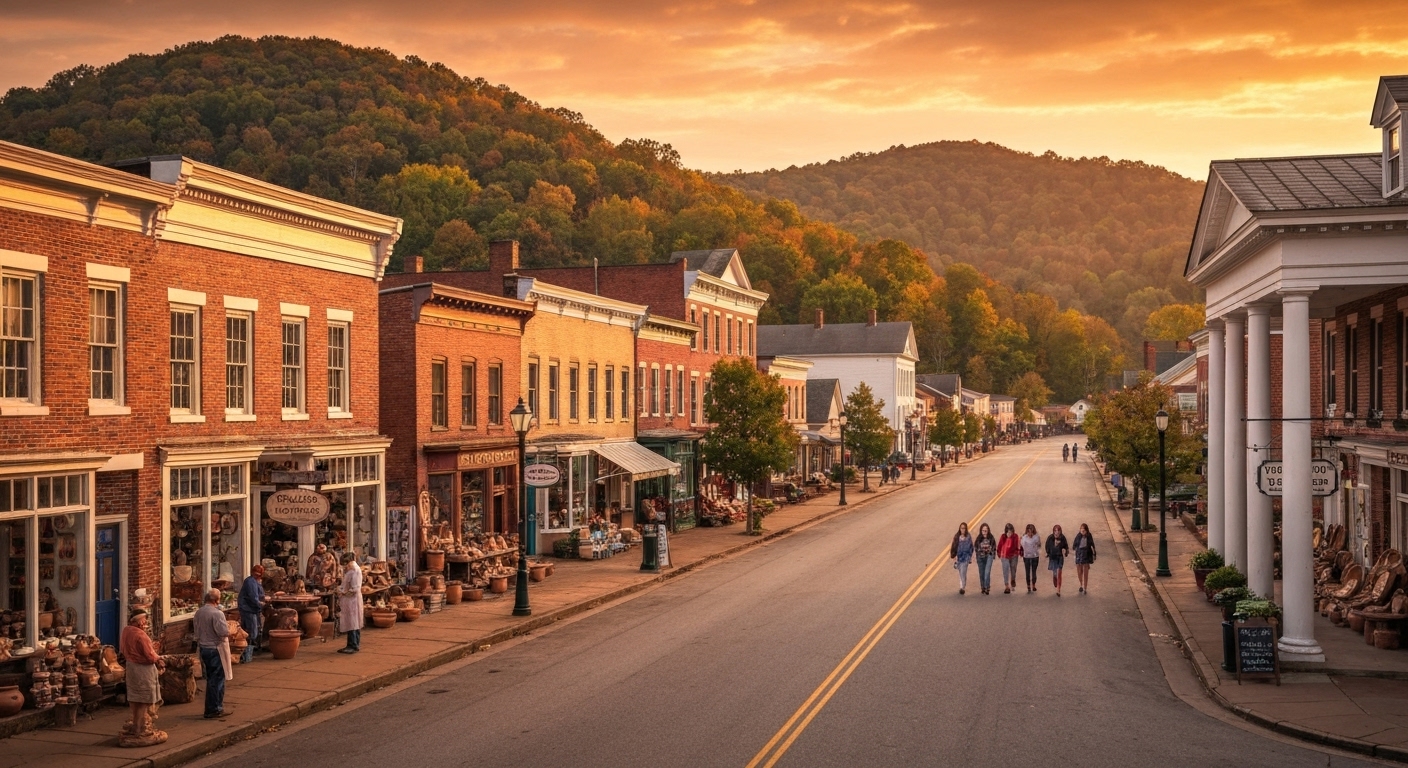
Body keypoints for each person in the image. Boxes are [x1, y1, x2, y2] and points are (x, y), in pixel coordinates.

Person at [119, 609, 166, 747]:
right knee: (143, 699)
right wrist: (159, 661)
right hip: (142, 669)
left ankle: (136, 725)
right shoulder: (141, 635)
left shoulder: (126, 631)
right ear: (138, 621)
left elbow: (122, 649)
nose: (145, 622)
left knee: (134, 698)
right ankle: (139, 729)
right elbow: (150, 655)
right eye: (144, 620)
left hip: (131, 667)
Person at [194, 589, 232, 719]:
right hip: (215, 648)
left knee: (211, 678)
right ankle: (215, 708)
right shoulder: (217, 614)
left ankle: (212, 707)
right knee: (217, 680)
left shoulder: (199, 612)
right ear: (217, 600)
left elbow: (196, 630)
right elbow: (223, 632)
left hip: (204, 647)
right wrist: (230, 631)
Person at [237, 565, 267, 663]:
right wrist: (260, 604)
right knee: (252, 632)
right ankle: (247, 656)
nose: (258, 575)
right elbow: (253, 597)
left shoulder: (256, 582)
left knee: (252, 631)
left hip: (251, 609)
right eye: (257, 573)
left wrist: (264, 598)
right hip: (248, 610)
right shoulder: (250, 582)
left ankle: (247, 654)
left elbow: (260, 594)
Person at [337, 552, 364, 654]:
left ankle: (353, 645)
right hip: (350, 600)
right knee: (353, 622)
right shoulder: (352, 570)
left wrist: (343, 593)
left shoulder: (354, 571)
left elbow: (355, 589)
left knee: (352, 622)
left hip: (352, 600)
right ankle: (353, 644)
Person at [1046, 524, 1071, 596]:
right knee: (1055, 574)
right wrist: (1048, 553)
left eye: (1058, 530)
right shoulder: (1050, 538)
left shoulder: (1063, 538)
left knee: (1059, 573)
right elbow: (1047, 546)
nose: (1056, 532)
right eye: (1055, 530)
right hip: (1053, 558)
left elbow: (1066, 547)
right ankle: (1054, 577)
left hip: (1060, 557)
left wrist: (1065, 551)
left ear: (1060, 531)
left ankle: (1058, 590)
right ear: (1053, 531)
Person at [949, 522, 974, 595]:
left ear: (966, 529)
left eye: (964, 528)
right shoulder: (957, 537)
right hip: (959, 558)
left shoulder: (968, 537)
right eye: (961, 528)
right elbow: (953, 546)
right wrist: (953, 556)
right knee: (960, 572)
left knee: (963, 572)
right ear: (959, 529)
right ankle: (961, 585)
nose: (962, 529)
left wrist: (969, 556)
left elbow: (971, 547)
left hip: (965, 558)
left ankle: (962, 587)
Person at [997, 523, 1021, 594]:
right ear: (1006, 531)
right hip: (1005, 556)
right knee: (1005, 569)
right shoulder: (1003, 537)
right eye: (1008, 532)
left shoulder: (1015, 537)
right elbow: (1000, 546)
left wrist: (1018, 553)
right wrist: (999, 554)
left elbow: (1016, 546)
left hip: (1013, 555)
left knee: (1013, 568)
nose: (1009, 533)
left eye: (1011, 531)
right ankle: (1006, 585)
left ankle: (1013, 579)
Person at [1073, 523, 1097, 594]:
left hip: (1086, 554)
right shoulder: (1078, 536)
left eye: (1084, 530)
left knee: (1086, 572)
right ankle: (1081, 583)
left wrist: (1094, 554)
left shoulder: (1089, 536)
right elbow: (1074, 545)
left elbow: (1092, 545)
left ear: (1086, 530)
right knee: (1079, 571)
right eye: (1081, 529)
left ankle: (1085, 588)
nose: (1082, 531)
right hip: (1079, 554)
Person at [973, 523, 997, 595]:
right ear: (981, 531)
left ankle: (987, 587)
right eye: (983, 531)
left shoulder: (991, 538)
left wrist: (992, 555)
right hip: (980, 557)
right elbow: (976, 547)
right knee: (982, 573)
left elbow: (994, 547)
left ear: (988, 531)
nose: (984, 532)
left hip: (988, 557)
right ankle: (983, 587)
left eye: (986, 531)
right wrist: (978, 555)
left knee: (987, 572)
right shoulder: (979, 538)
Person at [1019, 524, 1042, 592]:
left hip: (1035, 556)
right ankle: (1028, 585)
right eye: (1028, 532)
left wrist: (1036, 548)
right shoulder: (1024, 537)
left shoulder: (1037, 537)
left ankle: (1033, 584)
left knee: (1034, 571)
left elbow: (1039, 545)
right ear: (1027, 531)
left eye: (1031, 532)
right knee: (1027, 571)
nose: (1030, 533)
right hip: (1026, 557)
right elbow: (1022, 545)